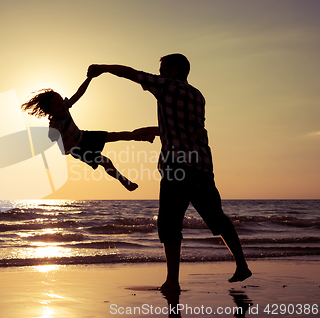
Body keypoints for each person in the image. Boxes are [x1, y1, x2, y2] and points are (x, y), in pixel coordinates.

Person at [87, 54, 252, 292]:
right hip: (202, 165)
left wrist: (103, 68)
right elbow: (188, 128)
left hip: (177, 166)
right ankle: (241, 265)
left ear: (175, 70)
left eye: (163, 69)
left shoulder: (166, 86)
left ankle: (172, 281)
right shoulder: (197, 95)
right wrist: (155, 130)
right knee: (217, 217)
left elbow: (131, 73)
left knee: (170, 224)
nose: (160, 74)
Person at [21, 76, 158, 191]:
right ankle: (125, 182)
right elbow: (62, 150)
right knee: (106, 162)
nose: (63, 105)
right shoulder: (54, 128)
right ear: (49, 112)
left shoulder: (65, 107)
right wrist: (68, 145)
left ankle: (142, 137)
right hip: (79, 149)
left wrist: (89, 78)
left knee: (116, 135)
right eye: (58, 105)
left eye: (62, 101)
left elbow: (79, 94)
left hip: (84, 136)